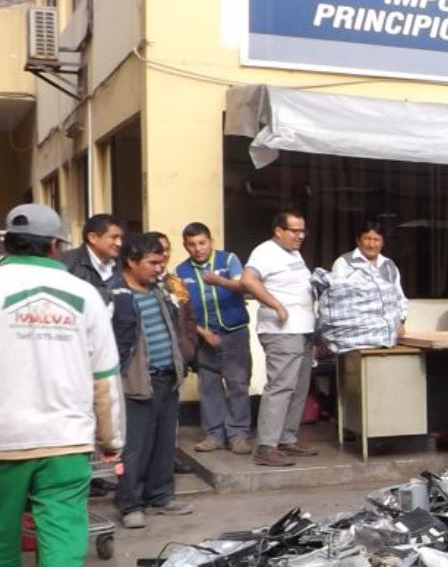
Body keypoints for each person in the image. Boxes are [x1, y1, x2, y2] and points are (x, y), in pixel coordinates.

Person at [0, 203, 123, 567]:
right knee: (62, 539)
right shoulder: (84, 294)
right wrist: (111, 438)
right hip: (66, 440)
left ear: (4, 242)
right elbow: (105, 376)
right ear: (57, 245)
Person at [110, 235, 196, 528]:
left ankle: (160, 496)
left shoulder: (160, 289)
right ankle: (130, 503)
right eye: (152, 262)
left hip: (166, 378)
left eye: (162, 262)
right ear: (132, 262)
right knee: (134, 447)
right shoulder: (114, 295)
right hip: (134, 382)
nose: (159, 268)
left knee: (164, 442)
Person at [240, 211, 317, 468]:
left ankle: (286, 438)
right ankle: (266, 446)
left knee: (299, 386)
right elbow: (248, 280)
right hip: (282, 330)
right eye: (295, 231)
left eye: (302, 230)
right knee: (281, 386)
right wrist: (277, 306)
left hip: (303, 329)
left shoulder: (293, 253)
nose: (300, 236)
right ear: (278, 231)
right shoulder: (265, 252)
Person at [175, 222, 254, 455]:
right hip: (204, 336)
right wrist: (201, 332)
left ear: (211, 241)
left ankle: (238, 434)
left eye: (202, 243)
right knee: (209, 386)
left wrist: (220, 281)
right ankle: (214, 435)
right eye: (192, 244)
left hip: (234, 331)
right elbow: (182, 308)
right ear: (185, 246)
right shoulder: (181, 271)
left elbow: (243, 286)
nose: (198, 248)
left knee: (238, 383)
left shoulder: (228, 261)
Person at [324, 221, 409, 352]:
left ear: (383, 242)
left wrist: (401, 321)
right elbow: (339, 303)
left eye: (376, 240)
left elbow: (399, 297)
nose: (371, 244)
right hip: (355, 341)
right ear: (358, 240)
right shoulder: (344, 263)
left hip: (387, 340)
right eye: (367, 239)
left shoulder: (389, 265)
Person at [61, 213, 124, 305]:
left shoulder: (124, 264)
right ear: (92, 238)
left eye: (120, 238)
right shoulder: (66, 264)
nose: (119, 243)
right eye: (113, 237)